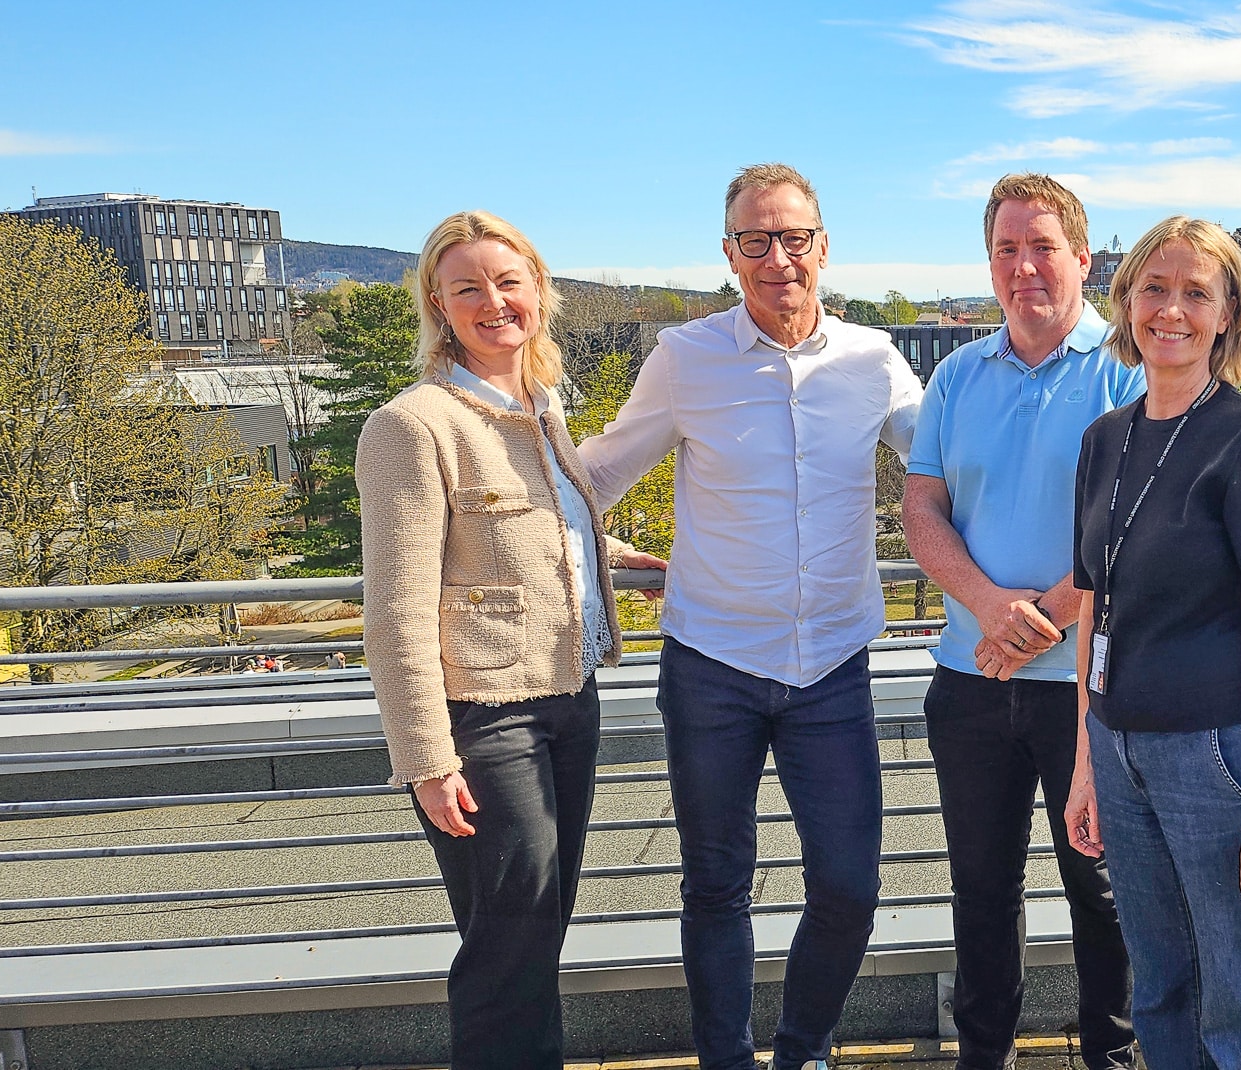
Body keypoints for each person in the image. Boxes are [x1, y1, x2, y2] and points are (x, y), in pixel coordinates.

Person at [576, 164, 923, 1070]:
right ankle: (725, 1060)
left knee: (848, 889)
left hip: (833, 667)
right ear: (729, 253)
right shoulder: (685, 359)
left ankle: (801, 1051)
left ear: (823, 245)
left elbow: (954, 469)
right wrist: (494, 492)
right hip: (712, 666)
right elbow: (598, 476)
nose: (778, 258)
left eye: (794, 237)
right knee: (717, 887)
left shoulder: (873, 360)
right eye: (755, 241)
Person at [356, 210, 668, 1070]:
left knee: (535, 936)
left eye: (508, 282)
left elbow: (534, 529)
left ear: (539, 291)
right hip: (484, 720)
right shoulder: (413, 426)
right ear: (438, 305)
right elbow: (395, 607)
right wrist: (426, 757)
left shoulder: (537, 406)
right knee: (508, 949)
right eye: (468, 288)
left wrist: (615, 556)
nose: (493, 302)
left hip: (568, 701)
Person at [1061, 216, 1241, 1068]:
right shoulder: (1104, 441)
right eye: (1154, 289)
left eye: (1196, 294)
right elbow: (1096, 610)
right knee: (1162, 989)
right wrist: (1086, 760)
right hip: (1120, 750)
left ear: (1228, 316)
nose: (1172, 310)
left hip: (1221, 757)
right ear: (1127, 302)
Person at [903, 173, 1141, 1070]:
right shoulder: (957, 374)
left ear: (1083, 258)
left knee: (1102, 890)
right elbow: (921, 507)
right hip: (969, 685)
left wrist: (1043, 614)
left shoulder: (1125, 368)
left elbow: (1141, 518)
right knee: (981, 891)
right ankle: (984, 1056)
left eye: (1043, 246)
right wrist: (989, 608)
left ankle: (1109, 1059)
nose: (1024, 266)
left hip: (1088, 689)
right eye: (1007, 249)